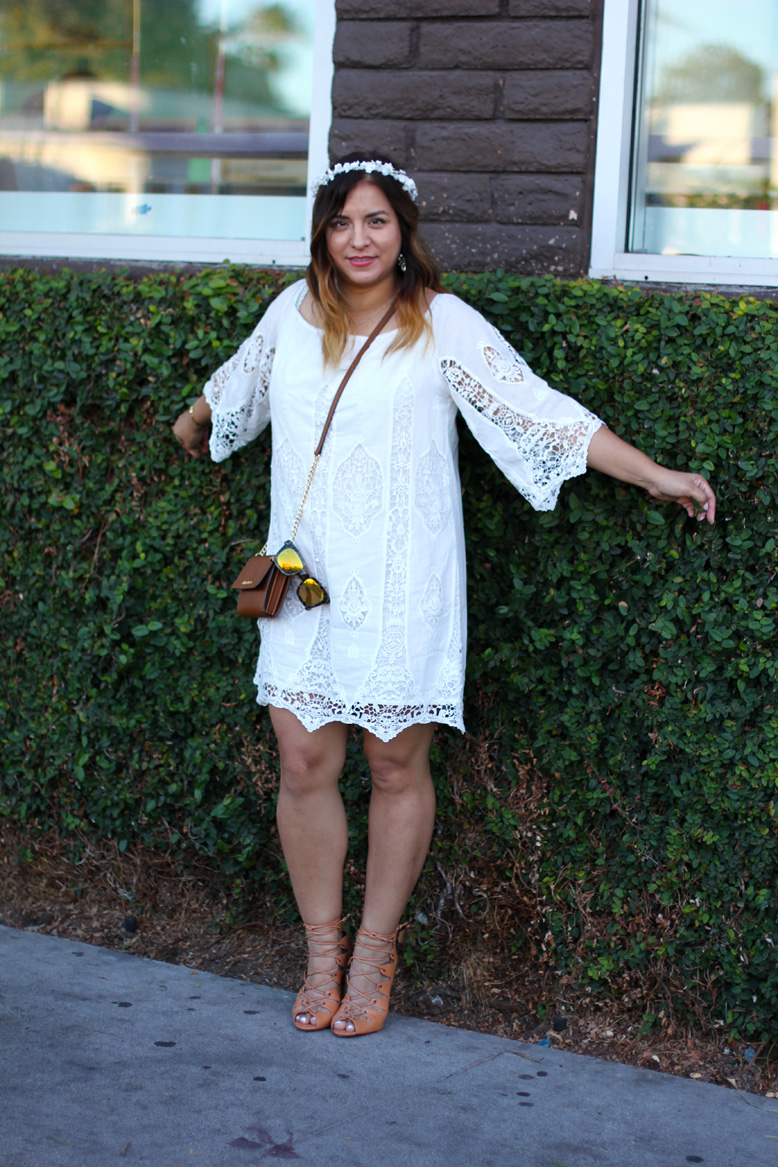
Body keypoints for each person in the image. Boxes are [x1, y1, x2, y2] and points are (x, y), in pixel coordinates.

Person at [173, 152, 716, 1038]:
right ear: (322, 232)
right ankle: (320, 957)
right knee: (305, 765)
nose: (358, 238)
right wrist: (193, 425)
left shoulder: (443, 324)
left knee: (393, 765)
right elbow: (230, 391)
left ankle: (375, 955)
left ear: (403, 233)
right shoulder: (291, 316)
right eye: (342, 221)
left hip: (404, 580)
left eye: (376, 220)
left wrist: (652, 474)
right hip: (304, 587)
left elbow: (542, 411)